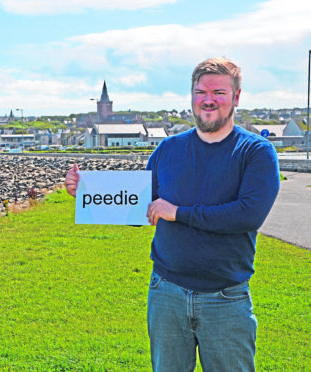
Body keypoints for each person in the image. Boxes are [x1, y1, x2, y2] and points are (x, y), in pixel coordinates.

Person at [64, 57, 280, 371]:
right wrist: (85, 190)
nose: (208, 100)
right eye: (200, 92)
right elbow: (142, 206)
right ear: (191, 97)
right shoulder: (168, 149)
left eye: (218, 92)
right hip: (166, 293)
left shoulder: (256, 152)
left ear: (236, 97)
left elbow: (246, 216)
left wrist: (178, 212)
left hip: (225, 298)